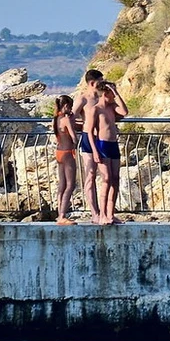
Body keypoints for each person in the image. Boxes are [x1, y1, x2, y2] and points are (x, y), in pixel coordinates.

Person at [84, 80, 129, 225]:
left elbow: (124, 112)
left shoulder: (112, 107)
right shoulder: (95, 109)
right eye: (111, 93)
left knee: (115, 179)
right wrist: (95, 151)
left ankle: (111, 213)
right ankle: (102, 214)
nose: (114, 96)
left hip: (113, 144)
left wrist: (117, 93)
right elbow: (90, 132)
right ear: (104, 93)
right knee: (106, 179)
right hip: (102, 144)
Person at [73, 69, 104, 223]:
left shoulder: (102, 98)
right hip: (88, 138)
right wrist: (84, 126)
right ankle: (94, 213)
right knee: (90, 175)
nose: (102, 85)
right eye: (100, 82)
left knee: (107, 176)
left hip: (103, 138)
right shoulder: (83, 99)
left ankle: (105, 211)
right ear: (92, 83)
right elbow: (71, 117)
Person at [53, 95, 78, 225]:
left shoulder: (56, 118)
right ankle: (63, 215)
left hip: (59, 152)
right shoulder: (66, 119)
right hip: (68, 153)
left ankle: (59, 214)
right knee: (70, 185)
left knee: (61, 185)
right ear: (66, 106)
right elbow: (74, 137)